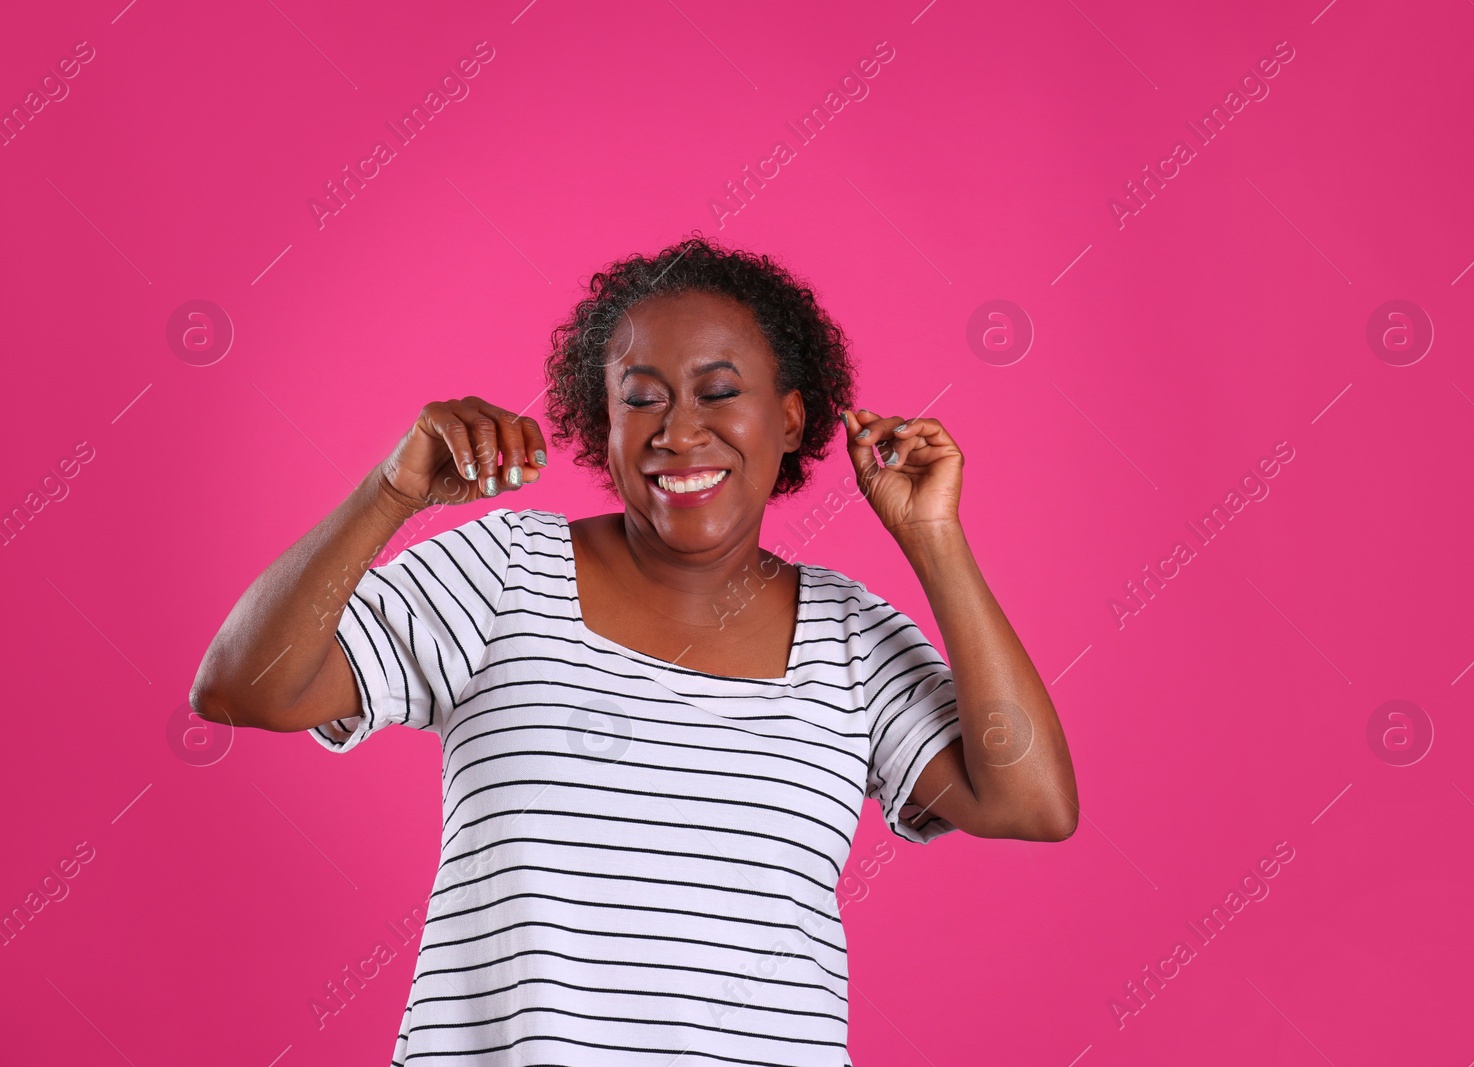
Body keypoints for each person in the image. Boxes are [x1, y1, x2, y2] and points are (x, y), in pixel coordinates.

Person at [190, 235, 1078, 1065]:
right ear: (600, 428)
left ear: (793, 415)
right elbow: (243, 687)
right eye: (642, 399)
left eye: (720, 391)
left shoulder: (849, 639)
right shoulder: (503, 574)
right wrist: (390, 493)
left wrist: (934, 541)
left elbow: (1033, 799)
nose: (678, 431)